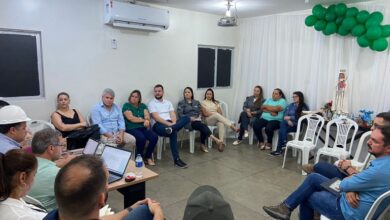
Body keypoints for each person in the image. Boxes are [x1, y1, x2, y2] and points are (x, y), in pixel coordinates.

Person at [263, 125, 390, 220]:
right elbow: (357, 180)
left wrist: (350, 185)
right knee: (313, 178)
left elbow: (344, 185)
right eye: (371, 138)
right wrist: (352, 183)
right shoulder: (384, 163)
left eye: (375, 141)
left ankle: (287, 207)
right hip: (360, 199)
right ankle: (285, 208)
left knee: (307, 196)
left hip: (351, 211)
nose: (369, 142)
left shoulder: (379, 170)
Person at [43, 155, 164, 220]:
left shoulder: (53, 216)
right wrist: (158, 213)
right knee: (149, 211)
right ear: (101, 200)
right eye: (106, 184)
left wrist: (131, 208)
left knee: (142, 208)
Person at [302, 112, 390, 177]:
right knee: (319, 167)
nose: (371, 128)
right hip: (356, 177)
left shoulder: (382, 167)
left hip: (354, 183)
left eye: (376, 125)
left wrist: (349, 169)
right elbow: (365, 175)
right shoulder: (381, 156)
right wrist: (350, 167)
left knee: (314, 180)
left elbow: (360, 181)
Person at [29, 128, 72, 212]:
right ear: (51, 148)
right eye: (61, 145)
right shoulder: (56, 174)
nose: (62, 149)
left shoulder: (27, 166)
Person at [148, 84, 190, 168]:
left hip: (170, 124)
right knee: (173, 132)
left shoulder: (168, 102)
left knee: (186, 118)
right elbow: (156, 118)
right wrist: (170, 125)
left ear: (163, 92)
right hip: (158, 125)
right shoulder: (151, 103)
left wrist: (173, 123)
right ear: (154, 93)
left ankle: (171, 129)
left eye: (159, 91)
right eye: (156, 91)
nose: (157, 93)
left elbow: (173, 114)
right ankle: (177, 160)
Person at [0, 149, 47, 219]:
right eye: (34, 175)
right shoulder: (22, 217)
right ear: (23, 177)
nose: (34, 180)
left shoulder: (10, 199)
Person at [177, 87, 224, 153]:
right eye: (185, 92)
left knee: (202, 125)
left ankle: (203, 144)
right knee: (201, 125)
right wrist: (190, 118)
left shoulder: (196, 102)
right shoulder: (181, 103)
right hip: (187, 122)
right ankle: (214, 140)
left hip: (197, 120)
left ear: (191, 94)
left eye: (188, 92)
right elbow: (180, 114)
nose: (187, 93)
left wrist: (199, 116)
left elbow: (200, 111)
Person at [123, 90, 158, 166]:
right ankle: (139, 158)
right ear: (130, 97)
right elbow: (131, 118)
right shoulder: (126, 105)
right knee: (141, 138)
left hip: (142, 127)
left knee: (154, 137)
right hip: (131, 128)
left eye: (136, 97)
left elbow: (147, 115)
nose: (134, 98)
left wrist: (147, 119)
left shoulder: (143, 105)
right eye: (132, 96)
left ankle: (148, 157)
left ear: (139, 98)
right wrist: (144, 120)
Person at [270, 91, 308, 156]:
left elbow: (301, 118)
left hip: (297, 126)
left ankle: (279, 150)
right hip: (288, 124)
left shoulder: (304, 106)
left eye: (296, 96)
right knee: (282, 129)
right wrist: (288, 121)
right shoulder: (291, 105)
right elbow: (285, 116)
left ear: (300, 97)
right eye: (293, 97)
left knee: (281, 129)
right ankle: (283, 144)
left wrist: (290, 118)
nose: (294, 98)